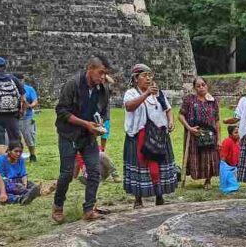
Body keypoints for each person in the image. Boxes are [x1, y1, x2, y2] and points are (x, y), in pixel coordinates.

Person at [53, 55, 112, 223]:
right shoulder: (73, 84)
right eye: (100, 73)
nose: (102, 77)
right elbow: (62, 111)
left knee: (94, 171)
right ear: (90, 69)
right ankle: (58, 206)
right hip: (69, 134)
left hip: (88, 136)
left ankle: (89, 209)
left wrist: (99, 125)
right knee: (66, 173)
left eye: (105, 74)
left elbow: (104, 109)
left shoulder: (103, 89)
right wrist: (85, 123)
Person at [123, 64, 177, 208]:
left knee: (159, 166)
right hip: (139, 137)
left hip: (159, 136)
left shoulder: (158, 93)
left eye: (149, 75)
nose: (148, 78)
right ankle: (138, 198)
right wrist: (146, 93)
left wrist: (171, 122)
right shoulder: (131, 93)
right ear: (135, 79)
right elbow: (129, 106)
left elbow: (168, 109)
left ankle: (159, 195)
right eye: (144, 76)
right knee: (140, 167)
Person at [179, 77, 220, 189]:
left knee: (209, 156)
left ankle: (208, 181)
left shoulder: (212, 101)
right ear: (194, 88)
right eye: (198, 86)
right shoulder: (189, 99)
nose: (201, 88)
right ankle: (185, 179)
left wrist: (219, 138)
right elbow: (181, 115)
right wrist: (189, 128)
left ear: (207, 85)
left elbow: (216, 120)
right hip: (194, 133)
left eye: (203, 85)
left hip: (210, 133)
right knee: (195, 156)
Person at [17, 74, 39, 163]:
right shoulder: (12, 89)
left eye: (21, 80)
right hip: (15, 117)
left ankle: (32, 154)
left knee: (29, 136)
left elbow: (35, 101)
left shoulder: (29, 89)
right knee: (15, 138)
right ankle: (17, 155)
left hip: (27, 117)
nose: (20, 82)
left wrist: (30, 106)